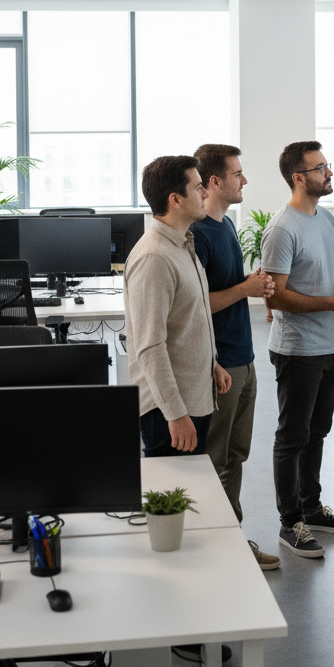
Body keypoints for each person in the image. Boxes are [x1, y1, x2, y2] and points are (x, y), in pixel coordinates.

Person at [262, 141, 334, 558]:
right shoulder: (282, 228)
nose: (328, 172)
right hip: (297, 349)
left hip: (328, 346)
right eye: (320, 167)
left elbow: (328, 263)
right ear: (298, 177)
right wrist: (331, 303)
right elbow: (276, 298)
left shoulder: (324, 218)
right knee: (292, 438)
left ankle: (311, 507)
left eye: (328, 165)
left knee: (317, 432)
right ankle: (291, 523)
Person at [191, 144, 279, 571]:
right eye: (238, 174)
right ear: (215, 182)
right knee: (214, 459)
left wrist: (250, 285)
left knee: (235, 456)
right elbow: (199, 305)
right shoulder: (200, 235)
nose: (244, 180)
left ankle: (232, 538)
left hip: (244, 358)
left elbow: (227, 290)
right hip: (221, 366)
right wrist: (244, 289)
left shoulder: (225, 226)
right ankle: (216, 546)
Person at [123, 155, 231, 457]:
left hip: (193, 396)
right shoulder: (155, 258)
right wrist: (174, 414)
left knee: (191, 493)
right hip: (169, 410)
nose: (206, 193)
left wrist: (210, 362)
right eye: (198, 188)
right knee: (173, 500)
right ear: (175, 199)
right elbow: (150, 347)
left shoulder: (183, 244)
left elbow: (186, 318)